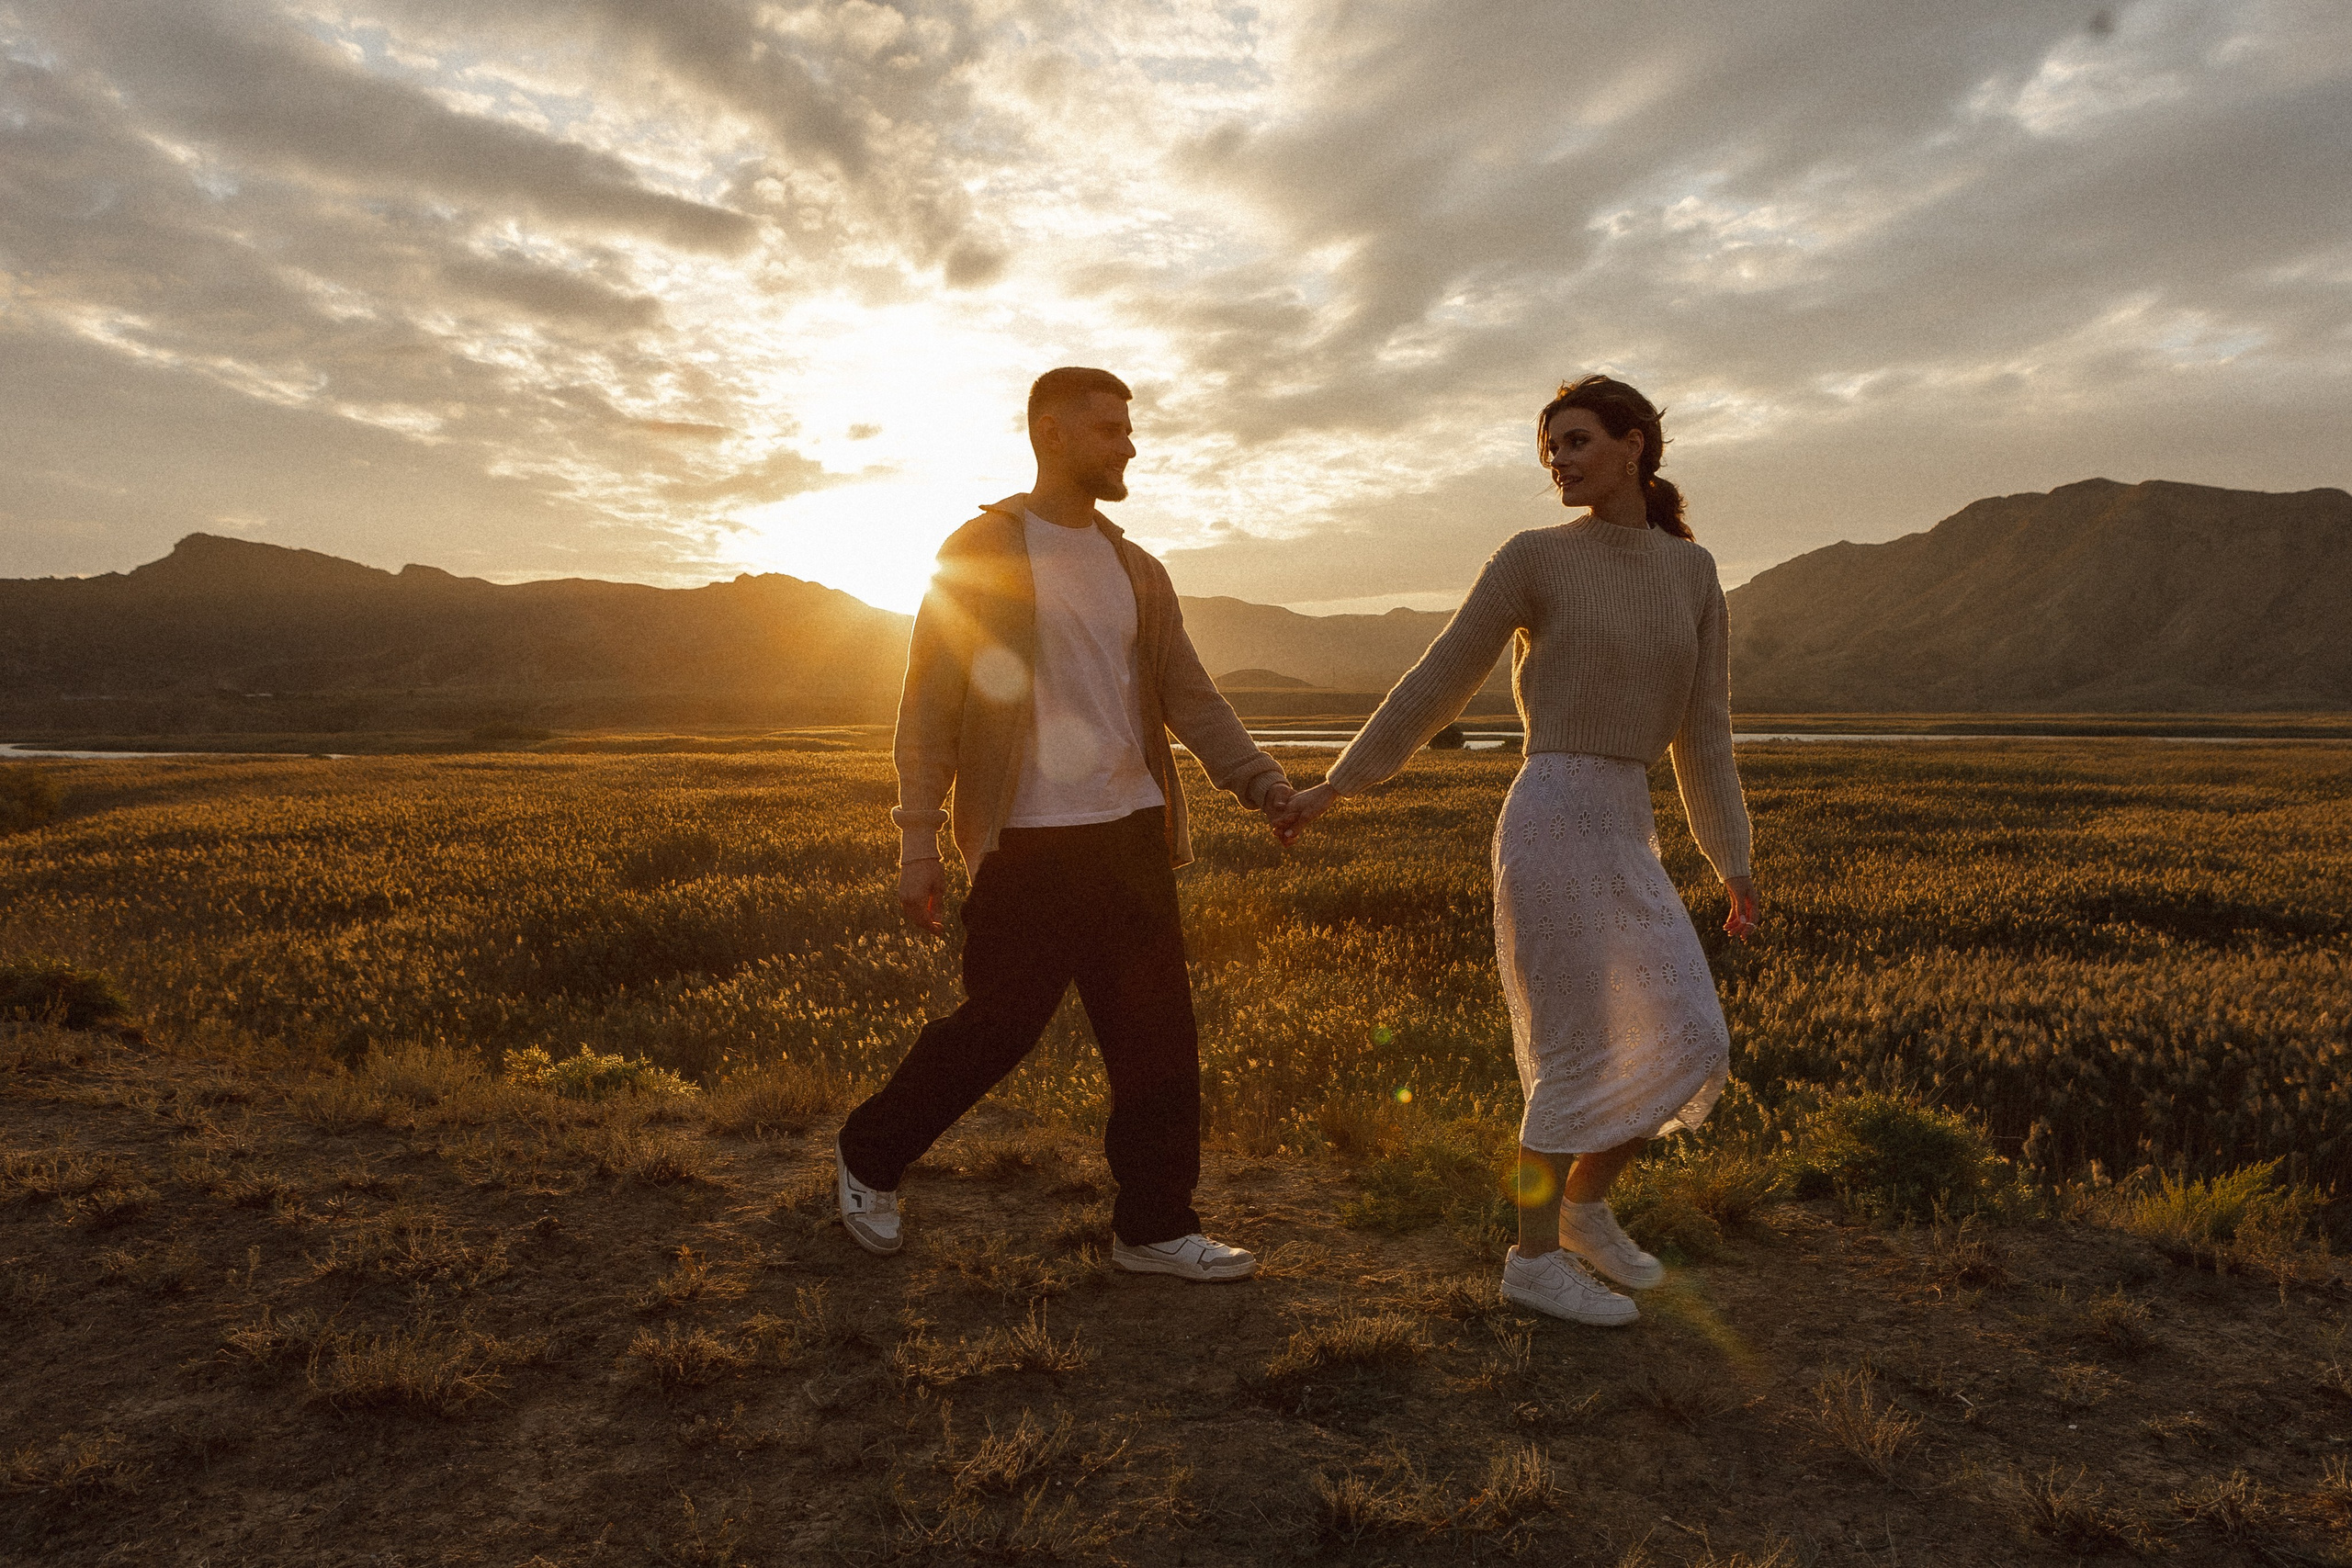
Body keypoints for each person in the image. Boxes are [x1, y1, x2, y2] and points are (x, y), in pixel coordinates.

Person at [1272, 375, 1761, 1325]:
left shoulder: (1692, 574)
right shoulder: (1534, 557)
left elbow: (1703, 733)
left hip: (1626, 822)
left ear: (1634, 445)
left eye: (1577, 442)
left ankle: (1581, 1208)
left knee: (1691, 1033)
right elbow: (1440, 678)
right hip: (1551, 815)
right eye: (1551, 449)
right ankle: (1532, 1262)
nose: (1559, 463)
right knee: (1577, 1046)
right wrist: (1338, 784)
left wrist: (1731, 863)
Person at [834, 367, 1295, 1281]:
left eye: (1128, 429)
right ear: (1051, 432)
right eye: (1109, 429)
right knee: (997, 1027)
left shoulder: (1137, 568)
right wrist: (918, 840)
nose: (1129, 445)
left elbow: (1189, 695)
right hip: (1027, 839)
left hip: (1131, 832)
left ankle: (1154, 1227)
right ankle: (868, 1154)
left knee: (1158, 1042)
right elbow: (928, 707)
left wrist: (1260, 781)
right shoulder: (979, 552)